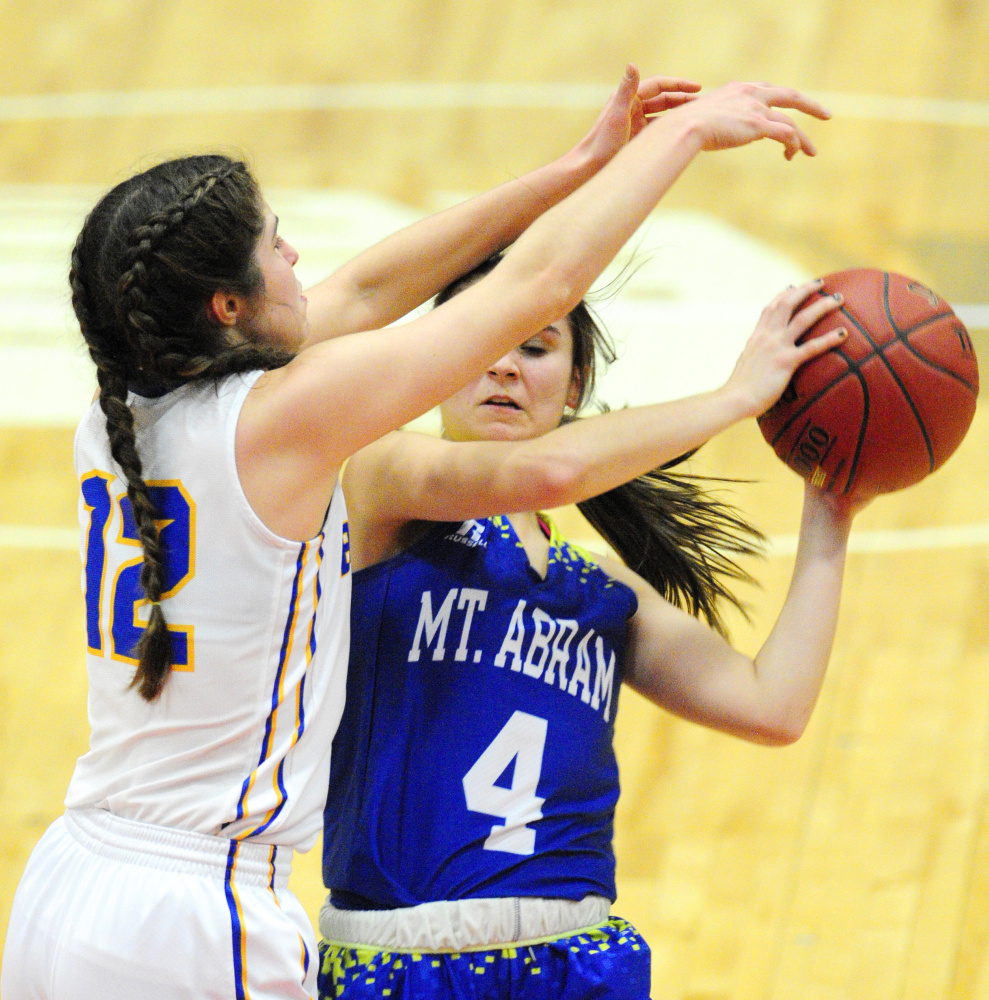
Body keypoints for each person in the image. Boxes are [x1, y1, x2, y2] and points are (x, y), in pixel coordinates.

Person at [1, 68, 830, 1000]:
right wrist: (673, 148)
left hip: (69, 882)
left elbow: (369, 286)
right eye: (278, 248)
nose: (301, 257)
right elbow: (535, 292)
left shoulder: (125, 414)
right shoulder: (280, 423)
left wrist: (580, 164)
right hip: (196, 914)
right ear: (227, 307)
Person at [317, 255, 861, 999]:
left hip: (576, 962)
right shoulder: (382, 484)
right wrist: (734, 398)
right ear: (435, 364)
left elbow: (772, 705)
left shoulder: (600, 594)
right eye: (480, 344)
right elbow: (553, 473)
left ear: (573, 385)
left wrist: (830, 509)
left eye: (535, 347)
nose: (505, 366)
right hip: (401, 961)